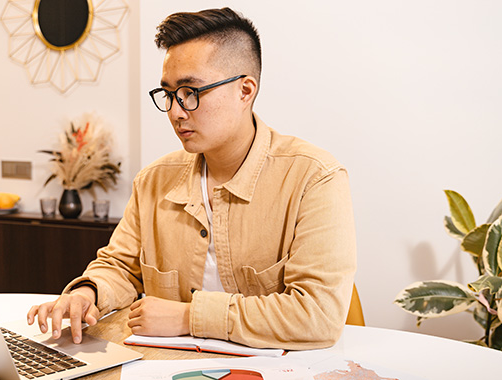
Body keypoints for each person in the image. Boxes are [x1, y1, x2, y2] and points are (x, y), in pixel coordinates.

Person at [28, 7, 356, 350]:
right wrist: (87, 293)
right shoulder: (154, 180)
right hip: (162, 367)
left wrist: (188, 318)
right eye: (169, 93)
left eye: (191, 92)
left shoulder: (315, 177)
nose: (175, 111)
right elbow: (120, 267)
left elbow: (318, 315)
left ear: (245, 91)